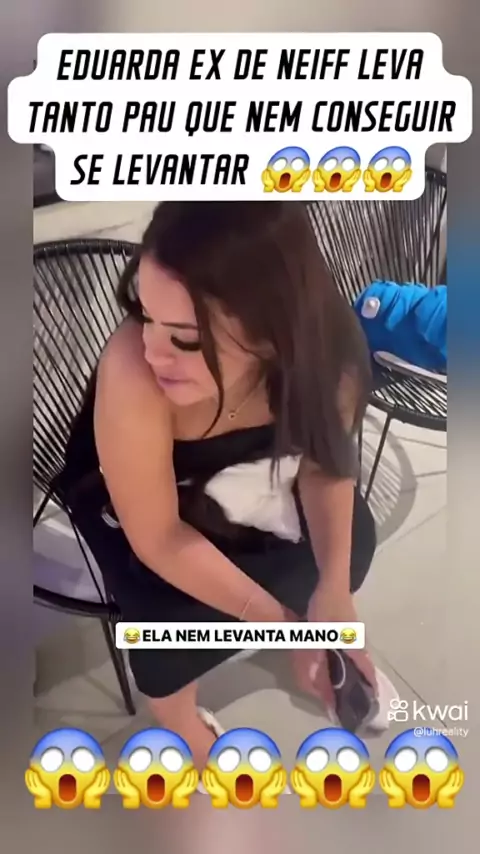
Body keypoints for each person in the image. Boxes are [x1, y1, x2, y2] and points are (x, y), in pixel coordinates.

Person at [60, 201, 383, 770]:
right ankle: (179, 718)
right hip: (142, 493)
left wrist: (333, 590)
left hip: (256, 468)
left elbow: (323, 464)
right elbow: (159, 537)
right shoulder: (133, 371)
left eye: (185, 339)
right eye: (144, 314)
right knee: (165, 615)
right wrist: (283, 629)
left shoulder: (331, 358)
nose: (151, 350)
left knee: (349, 539)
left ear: (271, 335)